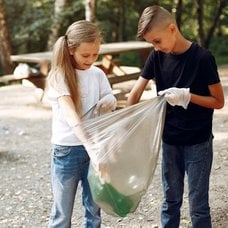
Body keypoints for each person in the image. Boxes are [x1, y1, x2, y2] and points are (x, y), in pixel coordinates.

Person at [127, 5, 224, 228]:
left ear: (172, 29)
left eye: (157, 41)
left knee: (198, 206)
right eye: (152, 43)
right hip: (170, 141)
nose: (156, 47)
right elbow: (134, 93)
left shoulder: (202, 58)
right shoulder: (157, 57)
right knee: (170, 201)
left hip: (198, 143)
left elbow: (219, 102)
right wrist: (127, 125)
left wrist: (188, 96)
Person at [47, 20, 116, 228]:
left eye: (96, 54)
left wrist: (109, 102)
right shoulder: (59, 76)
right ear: (70, 50)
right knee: (62, 214)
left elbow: (109, 98)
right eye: (86, 55)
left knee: (94, 210)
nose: (91, 60)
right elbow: (72, 118)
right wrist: (94, 151)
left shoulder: (98, 74)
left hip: (93, 148)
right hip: (66, 151)